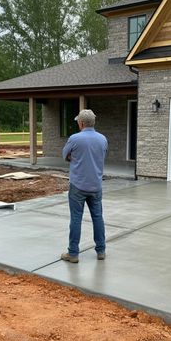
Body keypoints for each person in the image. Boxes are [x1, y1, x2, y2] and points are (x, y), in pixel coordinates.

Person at [61, 109, 108, 263]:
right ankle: (101, 251)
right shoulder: (102, 139)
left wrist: (74, 157)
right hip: (96, 186)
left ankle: (73, 254)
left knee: (76, 219)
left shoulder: (75, 138)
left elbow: (65, 156)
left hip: (78, 186)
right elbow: (101, 156)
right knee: (98, 218)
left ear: (81, 123)